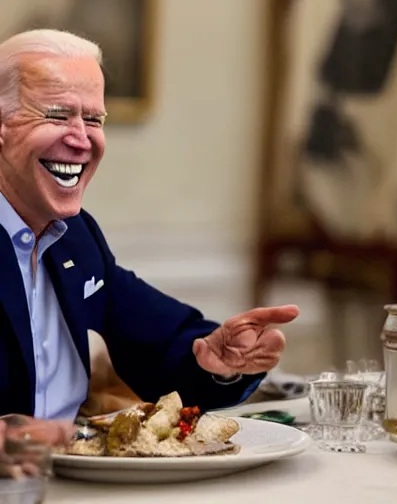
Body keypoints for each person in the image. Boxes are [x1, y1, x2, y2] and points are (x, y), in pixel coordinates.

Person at [0, 29, 299, 423]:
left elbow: (163, 347)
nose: (82, 139)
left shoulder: (76, 238)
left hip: (68, 477)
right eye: (58, 115)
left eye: (93, 119)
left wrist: (219, 361)